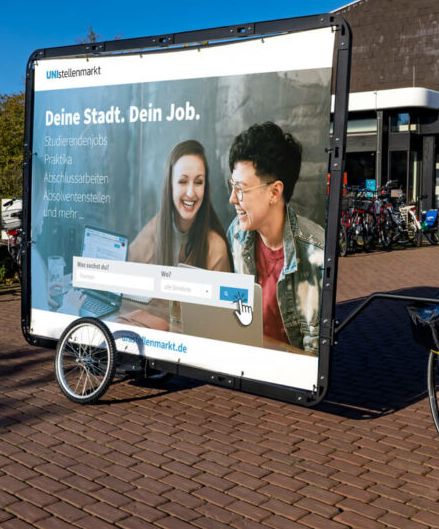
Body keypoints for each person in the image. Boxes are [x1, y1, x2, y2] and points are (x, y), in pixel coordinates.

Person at [226, 122, 325, 355]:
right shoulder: (237, 234)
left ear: (274, 192)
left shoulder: (315, 252)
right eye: (232, 186)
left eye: (240, 188)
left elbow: (314, 356)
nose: (232, 198)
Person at [130, 139, 231, 272]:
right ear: (170, 185)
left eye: (199, 182)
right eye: (183, 181)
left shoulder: (216, 247)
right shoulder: (150, 234)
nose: (191, 193)